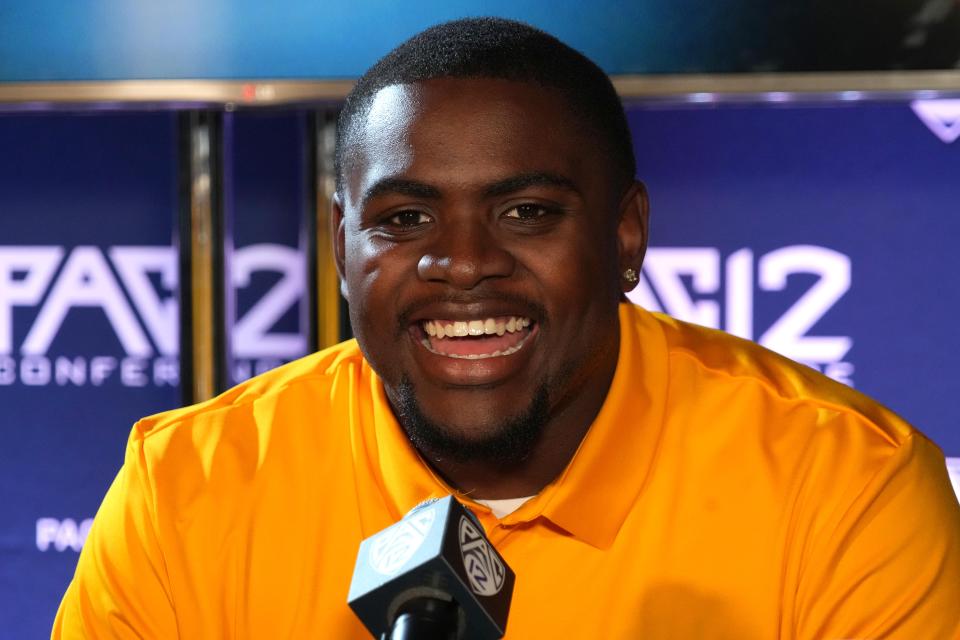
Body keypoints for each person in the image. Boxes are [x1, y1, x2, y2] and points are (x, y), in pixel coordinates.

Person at [53, 17, 960, 639]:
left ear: (625, 233)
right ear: (341, 246)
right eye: (405, 220)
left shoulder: (846, 487)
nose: (462, 264)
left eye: (525, 212)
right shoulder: (187, 489)